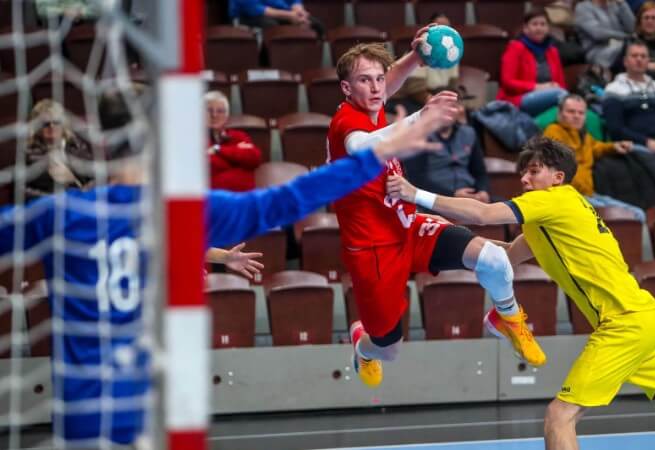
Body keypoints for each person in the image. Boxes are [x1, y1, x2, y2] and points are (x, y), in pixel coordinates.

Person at [0, 85, 456, 447]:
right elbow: (292, 198)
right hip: (163, 414)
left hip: (80, 418)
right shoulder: (184, 213)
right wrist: (379, 152)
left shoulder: (61, 214)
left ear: (101, 144)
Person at [385, 135, 655, 450]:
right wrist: (437, 240)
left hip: (623, 324)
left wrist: (414, 195)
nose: (524, 178)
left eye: (534, 171)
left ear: (557, 177)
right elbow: (503, 256)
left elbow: (482, 213)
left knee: (559, 416)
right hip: (642, 320)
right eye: (523, 172)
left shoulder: (555, 200)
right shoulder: (550, 219)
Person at [329, 39, 544, 389]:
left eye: (379, 79)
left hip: (408, 226)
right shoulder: (346, 123)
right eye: (364, 80)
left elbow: (389, 81)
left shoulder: (372, 103)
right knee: (388, 349)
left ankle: (506, 317)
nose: (376, 88)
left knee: (492, 258)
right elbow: (361, 147)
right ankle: (362, 344)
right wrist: (420, 118)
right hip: (373, 252)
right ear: (346, 88)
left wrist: (416, 56)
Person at [543, 94, 644, 221]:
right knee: (622, 216)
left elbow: (596, 147)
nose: (576, 116)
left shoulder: (584, 136)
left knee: (638, 214)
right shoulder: (552, 132)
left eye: (581, 113)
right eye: (571, 112)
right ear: (560, 113)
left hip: (589, 194)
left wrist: (614, 146)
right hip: (569, 197)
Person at [402, 94, 490, 203]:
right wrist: (452, 194)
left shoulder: (468, 133)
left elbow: (480, 172)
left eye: (453, 106)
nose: (448, 111)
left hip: (471, 197)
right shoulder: (420, 136)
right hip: (435, 200)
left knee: (502, 207)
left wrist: (483, 190)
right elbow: (417, 179)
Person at [496, 8, 569, 117]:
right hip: (518, 99)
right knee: (563, 97)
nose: (539, 28)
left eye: (543, 24)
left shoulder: (552, 51)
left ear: (548, 28)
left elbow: (561, 83)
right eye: (534, 24)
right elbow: (507, 82)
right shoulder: (515, 48)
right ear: (525, 28)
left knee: (578, 107)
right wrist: (537, 87)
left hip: (550, 96)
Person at [387, 12, 460, 115]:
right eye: (440, 27)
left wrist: (454, 103)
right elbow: (415, 90)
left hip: (436, 94)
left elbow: (453, 86)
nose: (444, 31)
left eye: (447, 27)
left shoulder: (452, 51)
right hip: (409, 98)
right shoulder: (423, 49)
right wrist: (437, 104)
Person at [25, 99, 94, 200]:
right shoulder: (28, 153)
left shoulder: (77, 146)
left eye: (56, 122)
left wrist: (72, 180)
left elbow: (96, 180)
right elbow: (23, 191)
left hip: (81, 201)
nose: (52, 127)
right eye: (46, 124)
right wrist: (54, 199)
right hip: (48, 205)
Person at [205, 90, 262, 192]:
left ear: (227, 116)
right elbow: (208, 166)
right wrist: (237, 157)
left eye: (220, 111)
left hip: (243, 198)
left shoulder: (238, 136)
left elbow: (254, 157)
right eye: (209, 110)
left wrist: (218, 149)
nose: (214, 115)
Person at [574, 0, 636, 68]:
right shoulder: (583, 8)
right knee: (633, 52)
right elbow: (598, 33)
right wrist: (626, 36)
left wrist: (622, 4)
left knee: (637, 49)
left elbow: (632, 28)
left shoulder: (615, 6)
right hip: (599, 51)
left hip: (621, 46)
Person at [229, 0, 324, 38]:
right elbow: (255, 9)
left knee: (315, 25)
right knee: (272, 27)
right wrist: (290, 16)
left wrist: (300, 12)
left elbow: (294, 1)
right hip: (247, 16)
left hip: (284, 12)